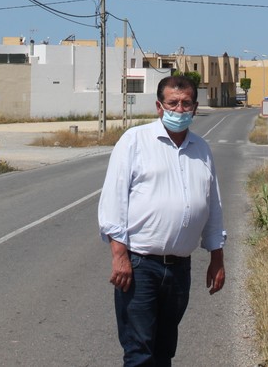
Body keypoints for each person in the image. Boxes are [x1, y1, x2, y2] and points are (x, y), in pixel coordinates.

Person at [98, 75, 226, 366]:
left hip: (179, 269)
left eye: (186, 103)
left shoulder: (201, 149)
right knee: (139, 352)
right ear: (159, 106)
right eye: (173, 103)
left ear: (195, 107)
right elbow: (113, 201)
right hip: (141, 266)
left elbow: (213, 206)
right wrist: (119, 255)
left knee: (164, 350)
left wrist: (217, 257)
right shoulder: (135, 141)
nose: (179, 110)